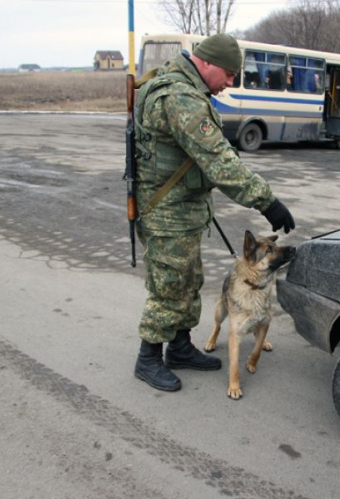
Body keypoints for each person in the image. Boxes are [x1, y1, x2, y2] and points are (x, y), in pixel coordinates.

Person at [132, 33, 296, 392]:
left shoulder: (187, 90)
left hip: (182, 210)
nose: (231, 83)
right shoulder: (180, 97)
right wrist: (266, 200)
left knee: (189, 282)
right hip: (167, 214)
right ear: (206, 63)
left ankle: (178, 348)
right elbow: (219, 161)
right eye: (228, 74)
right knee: (168, 287)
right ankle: (148, 358)